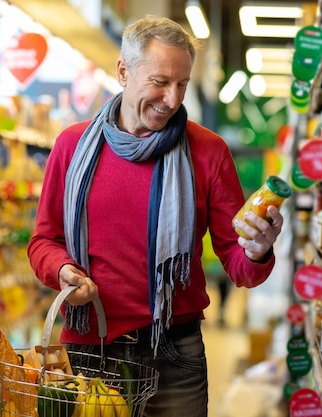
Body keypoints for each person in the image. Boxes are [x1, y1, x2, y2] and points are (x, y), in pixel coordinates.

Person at [27, 15, 284, 417]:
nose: (173, 99)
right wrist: (61, 270)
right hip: (87, 350)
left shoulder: (209, 151)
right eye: (161, 82)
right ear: (123, 72)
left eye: (182, 84)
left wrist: (256, 251)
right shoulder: (71, 146)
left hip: (174, 356)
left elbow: (239, 266)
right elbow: (44, 241)